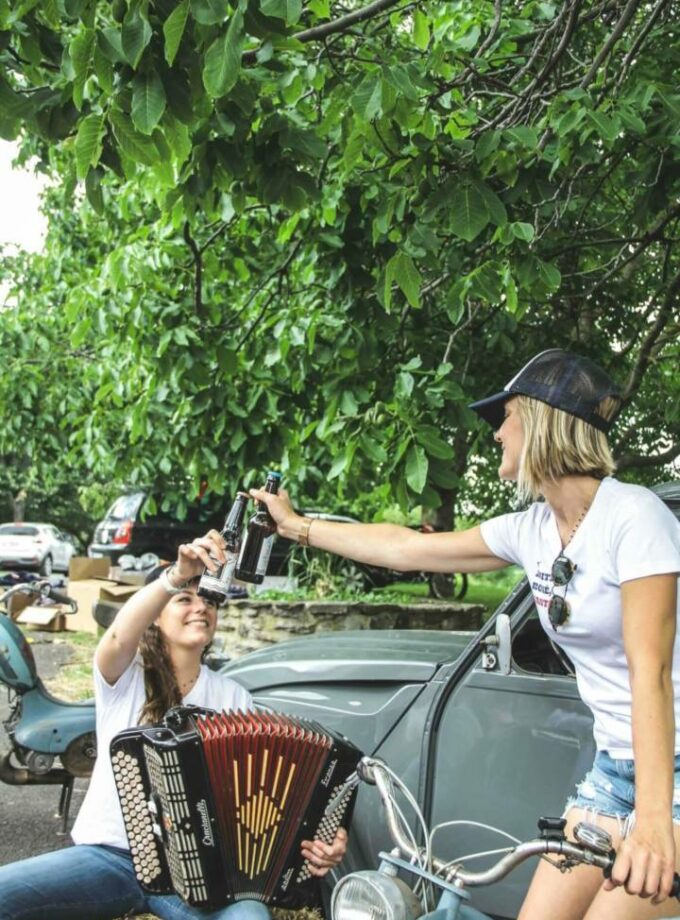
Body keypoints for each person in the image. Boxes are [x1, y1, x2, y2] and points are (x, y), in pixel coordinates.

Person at [251, 349, 680, 920]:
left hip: (666, 773)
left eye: (506, 416)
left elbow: (648, 669)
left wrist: (654, 819)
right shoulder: (530, 530)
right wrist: (298, 527)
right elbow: (406, 548)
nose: (497, 432)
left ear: (541, 419)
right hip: (612, 766)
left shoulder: (636, 516)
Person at [0, 531, 347, 920]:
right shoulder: (124, 678)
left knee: (250, 917)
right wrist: (175, 577)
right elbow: (118, 632)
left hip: (199, 877)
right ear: (156, 616)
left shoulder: (235, 699)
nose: (201, 608)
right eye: (185, 598)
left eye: (209, 600)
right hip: (110, 856)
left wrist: (318, 838)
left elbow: (270, 799)